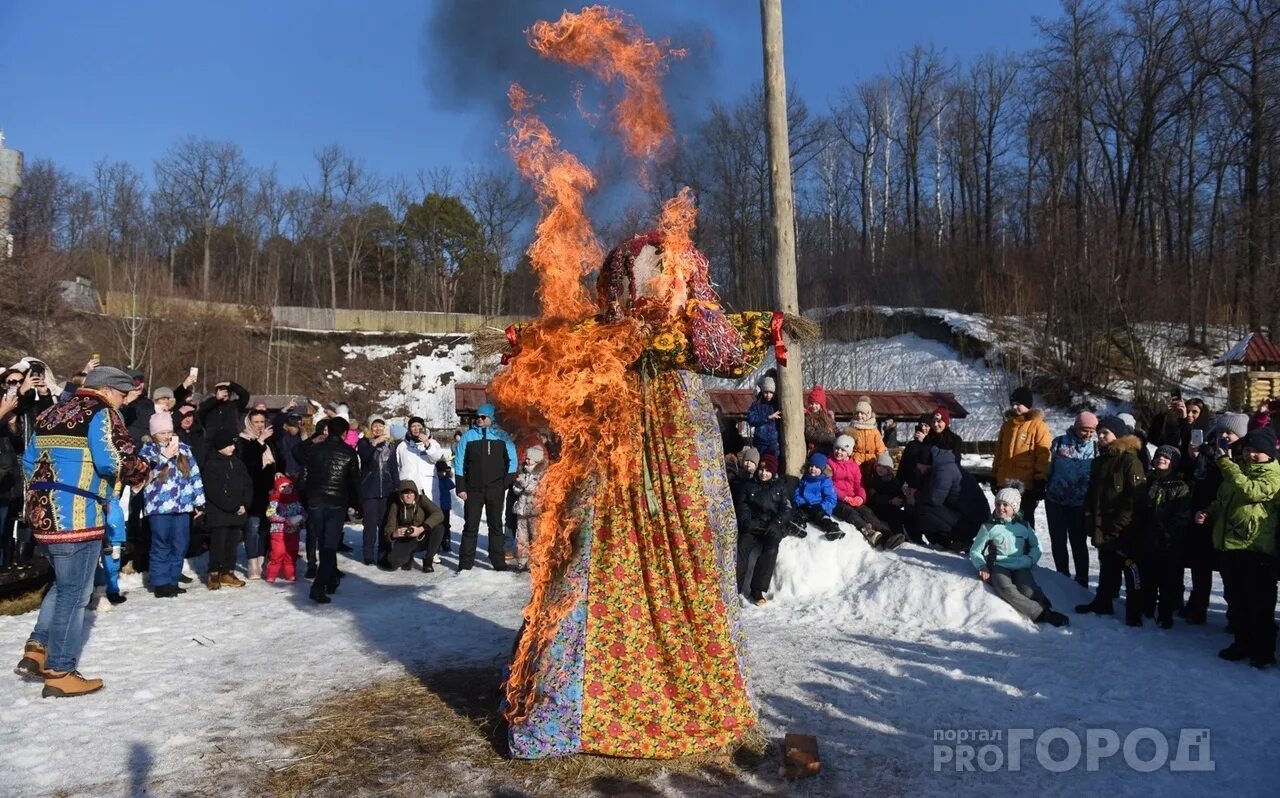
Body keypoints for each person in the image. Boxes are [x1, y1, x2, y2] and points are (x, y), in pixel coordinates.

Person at [501, 232, 780, 758]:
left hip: (678, 458)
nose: (655, 283)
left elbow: (734, 348)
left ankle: (691, 687)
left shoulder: (693, 332)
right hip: (614, 454)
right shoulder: (603, 335)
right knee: (592, 553)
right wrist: (531, 346)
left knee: (693, 555)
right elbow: (559, 348)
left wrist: (771, 327)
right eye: (645, 273)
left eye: (664, 273)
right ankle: (573, 705)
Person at [15, 366, 150, 697]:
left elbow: (29, 461)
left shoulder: (51, 412)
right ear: (107, 390)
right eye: (121, 396)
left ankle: (37, 648)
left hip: (42, 514)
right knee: (75, 593)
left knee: (64, 585)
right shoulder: (100, 412)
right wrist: (140, 472)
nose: (121, 403)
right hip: (78, 514)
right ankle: (61, 670)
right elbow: (110, 460)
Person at [1201, 426, 1279, 668]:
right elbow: (1225, 498)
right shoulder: (1238, 470)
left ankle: (1263, 651)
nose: (1251, 455)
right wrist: (1209, 512)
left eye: (1257, 451)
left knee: (1260, 603)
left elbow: (1251, 491)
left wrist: (1226, 463)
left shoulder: (1273, 475)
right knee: (1237, 601)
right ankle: (1242, 642)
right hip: (1231, 545)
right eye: (1247, 450)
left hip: (1257, 548)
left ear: (1269, 453)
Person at [1075, 415, 1147, 625]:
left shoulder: (1130, 461)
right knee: (1107, 566)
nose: (1100, 436)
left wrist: (1119, 525)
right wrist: (1089, 515)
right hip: (1103, 524)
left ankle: (1134, 611)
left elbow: (1135, 499)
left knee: (1130, 568)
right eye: (1099, 433)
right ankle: (1102, 602)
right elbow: (1092, 492)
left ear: (1118, 435)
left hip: (1125, 528)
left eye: (1105, 432)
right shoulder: (1100, 461)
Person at [969, 483, 1069, 627]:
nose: (1000, 508)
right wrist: (982, 566)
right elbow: (975, 550)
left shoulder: (1024, 526)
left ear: (1014, 508)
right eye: (998, 504)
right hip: (999, 566)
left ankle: (1042, 602)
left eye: (1005, 505)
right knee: (1005, 589)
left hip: (1021, 565)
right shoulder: (989, 527)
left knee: (1027, 591)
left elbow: (1036, 546)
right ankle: (1041, 614)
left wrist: (1030, 559)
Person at [1186, 412, 1249, 624]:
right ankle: (1197, 608)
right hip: (1204, 512)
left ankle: (1236, 616)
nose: (1223, 435)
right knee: (1200, 565)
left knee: (1230, 572)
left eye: (1229, 432)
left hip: (1228, 517)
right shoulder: (1209, 450)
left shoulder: (1245, 454)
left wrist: (1224, 461)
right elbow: (1197, 478)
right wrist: (1196, 457)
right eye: (1221, 431)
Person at [138, 412, 205, 598]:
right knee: (161, 542)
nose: (167, 436)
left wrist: (199, 502)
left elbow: (194, 475)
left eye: (169, 431)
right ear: (154, 434)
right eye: (162, 433)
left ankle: (173, 580)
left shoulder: (184, 449)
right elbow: (144, 477)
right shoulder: (147, 451)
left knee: (180, 543)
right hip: (158, 506)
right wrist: (164, 457)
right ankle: (160, 582)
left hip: (183, 505)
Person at [301, 416, 361, 604]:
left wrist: (305, 500)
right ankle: (318, 586)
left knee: (324, 542)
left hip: (315, 502)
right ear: (344, 433)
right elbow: (354, 483)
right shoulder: (349, 453)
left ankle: (332, 578)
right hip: (337, 503)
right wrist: (358, 506)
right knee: (329, 546)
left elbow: (303, 477)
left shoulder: (314, 450)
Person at [454, 403, 516, 572]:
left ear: (491, 418)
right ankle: (465, 564)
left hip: (495, 489)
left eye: (483, 417)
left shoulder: (503, 437)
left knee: (495, 525)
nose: (479, 420)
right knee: (470, 526)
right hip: (473, 490)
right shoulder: (468, 437)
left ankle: (498, 562)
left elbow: (512, 461)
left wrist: (504, 484)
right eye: (477, 417)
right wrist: (461, 486)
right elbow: (458, 462)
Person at [1138, 445, 1192, 628]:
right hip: (1148, 539)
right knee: (1148, 578)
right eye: (1159, 456)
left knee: (1168, 581)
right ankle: (1146, 609)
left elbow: (1182, 515)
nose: (1161, 459)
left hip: (1169, 542)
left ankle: (1165, 614)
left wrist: (1168, 533)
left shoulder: (1180, 486)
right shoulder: (1147, 482)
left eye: (1166, 458)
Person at [1044, 411, 1098, 586]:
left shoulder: (1096, 448)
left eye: (1091, 431)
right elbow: (1049, 468)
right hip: (1055, 501)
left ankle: (1082, 578)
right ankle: (1062, 575)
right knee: (1058, 540)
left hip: (1079, 504)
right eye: (1084, 430)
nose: (1088, 434)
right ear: (1076, 426)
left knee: (1078, 542)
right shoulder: (1059, 443)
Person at [906, 445, 989, 552]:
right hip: (969, 516)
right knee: (924, 508)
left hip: (973, 520)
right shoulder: (942, 465)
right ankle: (947, 541)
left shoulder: (944, 470)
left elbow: (935, 499)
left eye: (918, 464)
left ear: (924, 462)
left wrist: (915, 495)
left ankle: (961, 540)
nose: (917, 467)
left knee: (924, 511)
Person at [735, 453, 792, 605]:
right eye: (761, 469)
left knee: (771, 549)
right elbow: (743, 506)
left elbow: (786, 509)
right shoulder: (748, 485)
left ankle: (757, 590)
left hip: (771, 525)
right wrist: (747, 521)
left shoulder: (780, 486)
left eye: (767, 471)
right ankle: (736, 588)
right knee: (742, 548)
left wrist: (776, 523)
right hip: (753, 524)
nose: (763, 473)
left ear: (773, 472)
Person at [830, 435, 903, 549]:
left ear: (848, 452)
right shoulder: (830, 464)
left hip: (853, 498)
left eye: (843, 450)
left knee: (867, 512)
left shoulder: (853, 466)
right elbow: (829, 485)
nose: (839, 452)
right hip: (836, 500)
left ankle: (888, 535)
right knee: (850, 513)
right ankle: (869, 533)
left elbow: (859, 484)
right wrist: (845, 498)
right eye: (837, 448)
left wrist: (860, 497)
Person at [994, 387, 1052, 528]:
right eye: (1013, 403)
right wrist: (995, 475)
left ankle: (1026, 548)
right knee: (1002, 518)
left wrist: (1040, 479)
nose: (1014, 407)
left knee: (1024, 520)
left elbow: (1043, 455)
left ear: (1027, 405)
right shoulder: (1007, 426)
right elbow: (999, 452)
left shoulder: (1039, 426)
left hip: (1026, 485)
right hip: (1005, 482)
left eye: (1018, 404)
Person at [201, 431, 251, 590]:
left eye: (233, 444)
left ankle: (228, 571)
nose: (232, 447)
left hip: (238, 512)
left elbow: (247, 484)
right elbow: (213, 490)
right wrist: (231, 506)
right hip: (219, 513)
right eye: (228, 445)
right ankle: (214, 572)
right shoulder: (211, 464)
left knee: (232, 543)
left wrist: (244, 503)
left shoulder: (237, 462)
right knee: (218, 544)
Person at [237, 409, 278, 579]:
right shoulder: (243, 440)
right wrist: (259, 442)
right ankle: (252, 563)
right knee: (252, 527)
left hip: (269, 489)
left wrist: (279, 471)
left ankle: (262, 560)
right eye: (256, 422)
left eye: (262, 422)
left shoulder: (270, 440)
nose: (260, 425)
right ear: (249, 423)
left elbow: (278, 458)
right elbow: (249, 463)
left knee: (265, 528)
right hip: (252, 490)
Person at [358, 414, 399, 567]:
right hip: (370, 489)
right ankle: (368, 554)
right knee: (370, 524)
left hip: (387, 490)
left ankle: (384, 554)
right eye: (374, 425)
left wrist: (397, 486)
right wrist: (374, 443)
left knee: (385, 524)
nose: (378, 428)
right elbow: (365, 457)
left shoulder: (390, 444)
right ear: (370, 428)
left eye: (380, 426)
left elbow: (394, 468)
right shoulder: (364, 443)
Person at [383, 480, 446, 572]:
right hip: (406, 538)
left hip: (422, 537)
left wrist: (421, 529)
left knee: (439, 528)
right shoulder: (395, 506)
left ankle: (428, 559)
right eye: (405, 493)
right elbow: (389, 529)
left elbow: (439, 514)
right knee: (393, 563)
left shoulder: (422, 500)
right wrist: (394, 534)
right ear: (400, 494)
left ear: (415, 494)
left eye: (411, 493)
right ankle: (408, 556)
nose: (409, 496)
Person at [510, 445, 546, 571]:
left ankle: (536, 562)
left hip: (534, 510)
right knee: (521, 537)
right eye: (527, 458)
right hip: (521, 509)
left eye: (529, 458)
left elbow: (535, 489)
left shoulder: (541, 474)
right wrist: (518, 485)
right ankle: (522, 561)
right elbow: (516, 490)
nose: (527, 460)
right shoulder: (524, 471)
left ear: (537, 460)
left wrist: (523, 483)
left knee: (535, 537)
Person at [265, 473, 306, 583]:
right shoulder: (274, 501)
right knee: (278, 553)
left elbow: (303, 512)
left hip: (293, 532)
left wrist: (302, 518)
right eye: (283, 487)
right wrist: (284, 520)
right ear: (278, 488)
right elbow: (270, 515)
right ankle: (271, 574)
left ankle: (290, 573)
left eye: (290, 487)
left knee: (291, 553)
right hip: (278, 532)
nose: (287, 489)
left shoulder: (296, 501)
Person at [791, 452, 843, 539]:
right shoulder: (805, 478)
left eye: (817, 467)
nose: (813, 469)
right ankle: (798, 526)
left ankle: (833, 528)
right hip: (805, 505)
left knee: (822, 518)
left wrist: (822, 506)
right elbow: (797, 492)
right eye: (811, 466)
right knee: (799, 514)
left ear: (822, 469)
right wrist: (800, 502)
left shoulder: (825, 481)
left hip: (819, 507)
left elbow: (831, 498)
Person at [865, 451, 909, 542]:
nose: (880, 469)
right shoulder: (873, 480)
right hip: (877, 508)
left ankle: (911, 537)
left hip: (891, 506)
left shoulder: (894, 481)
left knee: (904, 515)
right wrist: (891, 501)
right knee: (893, 515)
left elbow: (899, 495)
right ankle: (898, 536)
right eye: (879, 466)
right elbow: (874, 497)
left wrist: (902, 500)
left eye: (884, 467)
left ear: (889, 470)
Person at [842, 396, 887, 476]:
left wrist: (881, 462)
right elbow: (845, 447)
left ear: (868, 414)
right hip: (855, 461)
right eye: (857, 413)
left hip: (871, 462)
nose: (859, 415)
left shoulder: (874, 431)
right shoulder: (851, 429)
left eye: (862, 413)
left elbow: (880, 448)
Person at [197, 381, 250, 445]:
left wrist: (231, 384)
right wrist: (216, 399)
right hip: (213, 443)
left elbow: (245, 396)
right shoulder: (209, 407)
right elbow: (201, 410)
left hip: (232, 442)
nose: (224, 393)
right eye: (221, 390)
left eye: (227, 391)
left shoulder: (235, 406)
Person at [747, 376, 781, 458]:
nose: (768, 395)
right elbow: (751, 419)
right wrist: (767, 417)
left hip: (774, 443)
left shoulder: (778, 403)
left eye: (771, 392)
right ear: (762, 391)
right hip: (760, 443)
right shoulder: (757, 404)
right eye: (766, 392)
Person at [897, 417, 933, 491]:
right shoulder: (911, 445)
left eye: (926, 426)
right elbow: (903, 466)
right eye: (921, 425)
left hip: (929, 486)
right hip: (912, 485)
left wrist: (925, 441)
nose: (923, 428)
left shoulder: (936, 444)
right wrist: (897, 487)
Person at [803, 385, 837, 456]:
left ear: (821, 405)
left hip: (830, 446)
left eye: (816, 404)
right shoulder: (808, 417)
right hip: (816, 449)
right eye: (811, 403)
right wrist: (829, 438)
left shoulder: (827, 417)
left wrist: (843, 437)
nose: (814, 406)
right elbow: (811, 435)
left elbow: (836, 430)